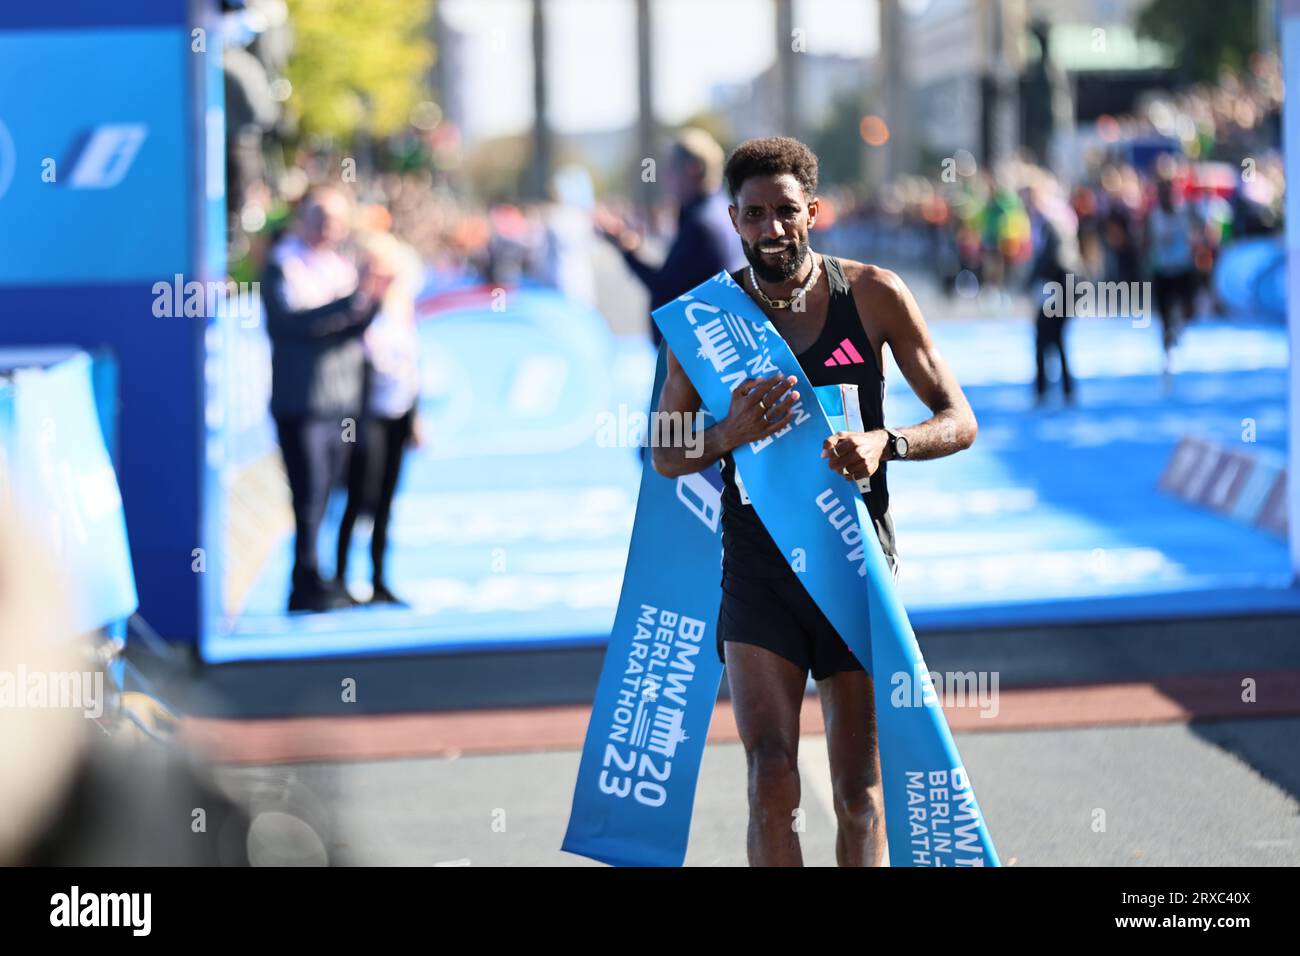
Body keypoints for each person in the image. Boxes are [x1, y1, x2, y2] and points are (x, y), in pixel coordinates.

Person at [650, 137, 979, 866]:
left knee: (859, 794)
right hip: (758, 570)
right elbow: (666, 452)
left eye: (787, 212)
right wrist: (729, 431)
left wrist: (885, 443)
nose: (772, 230)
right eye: (756, 215)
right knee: (770, 776)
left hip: (852, 562)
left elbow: (959, 419)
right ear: (733, 218)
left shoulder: (873, 294)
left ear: (814, 212)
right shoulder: (705, 321)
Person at [263, 186, 394, 612]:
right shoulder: (283, 264)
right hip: (302, 402)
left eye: (337, 221)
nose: (330, 229)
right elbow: (291, 325)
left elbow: (349, 330)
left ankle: (328, 577)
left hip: (342, 401)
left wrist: (371, 301)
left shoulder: (339, 265)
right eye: (322, 219)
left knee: (333, 495)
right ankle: (303, 580)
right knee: (308, 495)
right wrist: (348, 303)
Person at [335, 228, 424, 606]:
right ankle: (339, 577)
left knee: (387, 496)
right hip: (364, 413)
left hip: (398, 413)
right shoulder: (354, 305)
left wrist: (417, 415)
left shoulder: (401, 306)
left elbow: (411, 364)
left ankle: (379, 577)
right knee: (360, 495)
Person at [594, 127, 744, 347]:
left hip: (697, 356)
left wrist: (625, 249)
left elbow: (666, 288)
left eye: (671, 168)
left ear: (692, 169)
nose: (664, 176)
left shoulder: (702, 222)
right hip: (706, 351)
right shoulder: (715, 211)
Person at [1024, 180, 1083, 405]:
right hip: (1061, 285)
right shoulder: (1053, 218)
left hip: (1060, 286)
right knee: (1055, 339)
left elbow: (1054, 257)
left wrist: (1033, 280)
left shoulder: (1051, 221)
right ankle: (1063, 388)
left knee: (1044, 338)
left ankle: (1045, 389)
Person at [1144, 176, 1201, 390]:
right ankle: (1167, 352)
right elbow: (1145, 242)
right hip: (1163, 272)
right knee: (1165, 316)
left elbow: (1200, 232)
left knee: (1186, 311)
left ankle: (1179, 330)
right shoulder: (1154, 217)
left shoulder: (1185, 213)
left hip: (1183, 269)